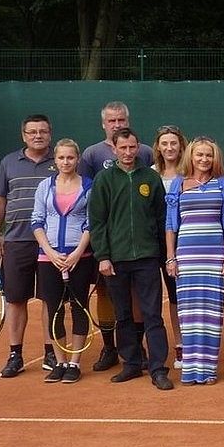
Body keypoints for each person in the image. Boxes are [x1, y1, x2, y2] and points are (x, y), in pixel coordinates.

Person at [87, 128, 173, 390]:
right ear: (113, 149)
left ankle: (158, 368)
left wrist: (163, 256)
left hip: (147, 257)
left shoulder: (151, 177)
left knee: (152, 315)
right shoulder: (104, 179)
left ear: (139, 148)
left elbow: (161, 219)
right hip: (116, 259)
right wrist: (103, 256)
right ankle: (132, 364)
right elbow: (97, 222)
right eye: (122, 148)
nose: (127, 152)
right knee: (123, 315)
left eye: (132, 147)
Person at [80, 101, 154, 373]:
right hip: (107, 243)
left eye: (121, 120)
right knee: (104, 293)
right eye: (112, 121)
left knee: (137, 297)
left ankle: (137, 348)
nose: (117, 125)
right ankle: (109, 347)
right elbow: (85, 197)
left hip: (139, 245)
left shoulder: (145, 152)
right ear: (103, 124)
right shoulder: (91, 154)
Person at [0, 114, 57, 378]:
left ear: (50, 134)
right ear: (24, 135)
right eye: (32, 132)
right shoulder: (8, 162)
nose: (37, 135)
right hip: (17, 242)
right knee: (16, 299)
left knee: (50, 299)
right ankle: (15, 354)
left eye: (42, 131)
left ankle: (51, 352)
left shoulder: (62, 160)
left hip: (52, 244)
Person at [165, 136, 224, 385]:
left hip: (213, 258)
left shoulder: (223, 184)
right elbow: (171, 224)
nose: (204, 159)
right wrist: (171, 257)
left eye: (208, 155)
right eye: (199, 155)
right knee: (189, 313)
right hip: (187, 258)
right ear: (191, 157)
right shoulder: (178, 184)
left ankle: (208, 370)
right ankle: (191, 370)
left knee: (212, 314)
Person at [31, 138, 94, 383]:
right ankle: (59, 361)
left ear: (77, 159)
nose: (65, 162)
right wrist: (50, 251)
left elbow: (91, 223)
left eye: (70, 157)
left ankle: (75, 363)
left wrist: (77, 252)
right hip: (49, 259)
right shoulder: (44, 187)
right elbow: (36, 221)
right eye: (61, 158)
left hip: (80, 258)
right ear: (55, 160)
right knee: (55, 309)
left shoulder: (89, 186)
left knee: (79, 308)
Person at [151, 125, 186, 368]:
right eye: (164, 143)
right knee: (149, 298)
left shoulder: (190, 173)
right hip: (153, 245)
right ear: (158, 147)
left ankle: (182, 346)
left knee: (178, 297)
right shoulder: (150, 174)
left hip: (183, 244)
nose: (169, 148)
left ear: (181, 146)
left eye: (173, 143)